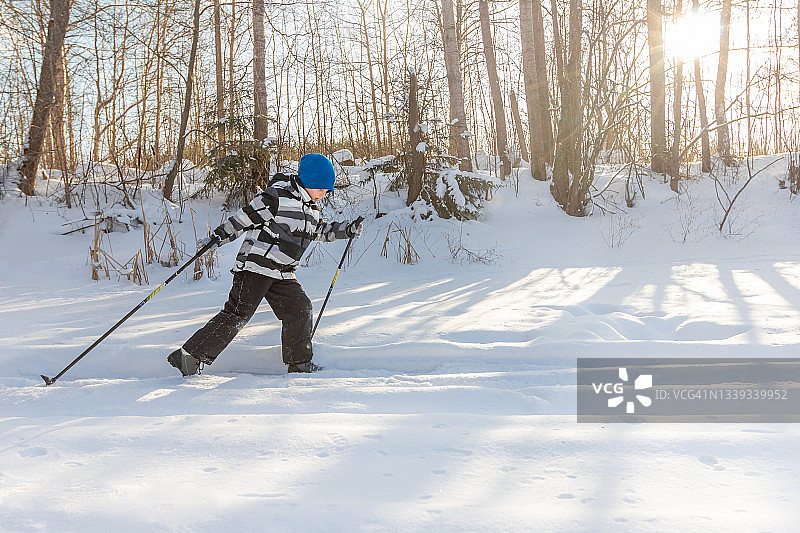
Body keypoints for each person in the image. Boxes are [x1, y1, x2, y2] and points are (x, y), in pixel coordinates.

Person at [167, 153, 363, 376]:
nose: (324, 193)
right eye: (321, 188)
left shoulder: (311, 209)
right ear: (309, 181)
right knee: (238, 313)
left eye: (327, 189)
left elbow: (321, 231)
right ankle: (189, 356)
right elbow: (244, 218)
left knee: (300, 309)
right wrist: (218, 237)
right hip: (257, 266)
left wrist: (346, 230)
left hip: (283, 272)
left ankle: (299, 363)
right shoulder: (277, 197)